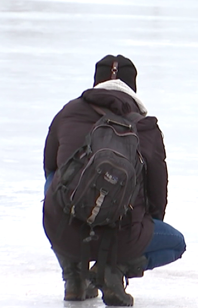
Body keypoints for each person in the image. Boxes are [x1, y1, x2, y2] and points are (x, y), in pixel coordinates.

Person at [42, 55, 186, 304]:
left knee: (53, 182)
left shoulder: (67, 113)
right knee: (176, 244)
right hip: (124, 234)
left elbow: (49, 168)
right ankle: (113, 270)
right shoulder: (146, 127)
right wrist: (141, 228)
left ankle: (74, 277)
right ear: (133, 87)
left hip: (66, 229)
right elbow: (157, 195)